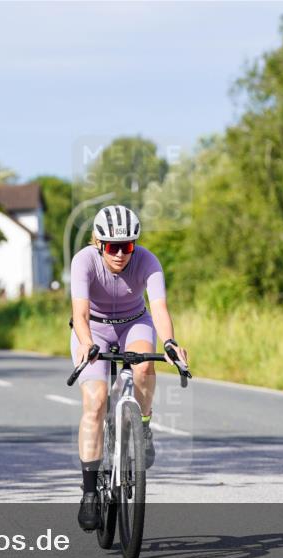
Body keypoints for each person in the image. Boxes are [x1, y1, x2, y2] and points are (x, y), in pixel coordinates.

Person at [69, 205, 189, 531]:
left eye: (128, 246)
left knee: (145, 368)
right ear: (98, 243)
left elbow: (159, 308)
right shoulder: (84, 261)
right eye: (112, 247)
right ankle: (90, 492)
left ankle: (143, 427)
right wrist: (84, 342)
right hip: (93, 328)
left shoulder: (147, 261)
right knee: (95, 402)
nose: (121, 254)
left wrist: (169, 342)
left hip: (134, 324)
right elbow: (79, 314)